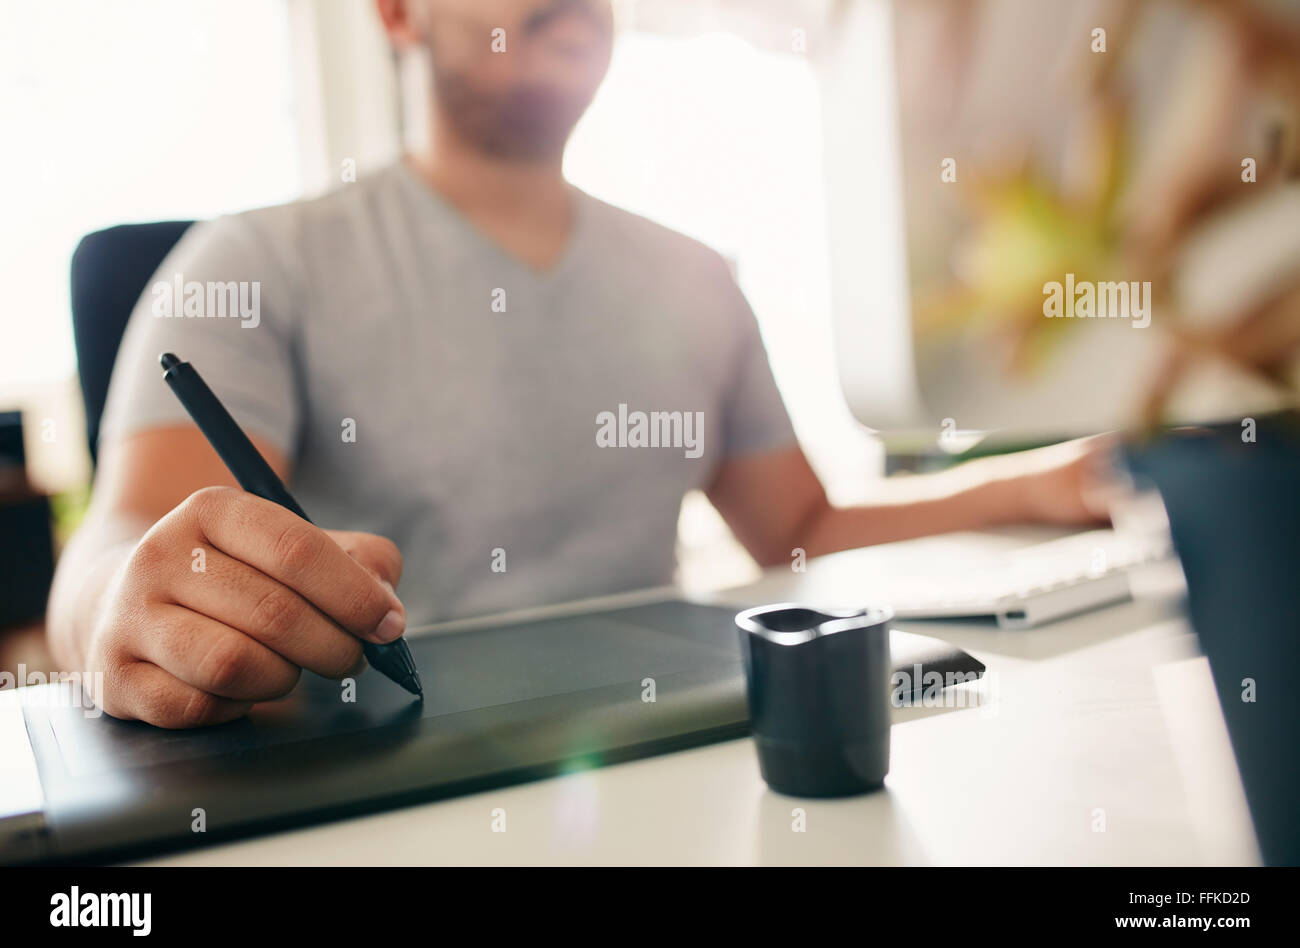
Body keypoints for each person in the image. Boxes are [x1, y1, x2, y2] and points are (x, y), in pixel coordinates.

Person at [46, 0, 1112, 728]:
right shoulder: (251, 263)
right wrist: (120, 604)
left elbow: (798, 529)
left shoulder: (697, 275)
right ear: (396, 10)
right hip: (384, 771)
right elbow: (115, 552)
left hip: (667, 740)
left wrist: (1039, 481)